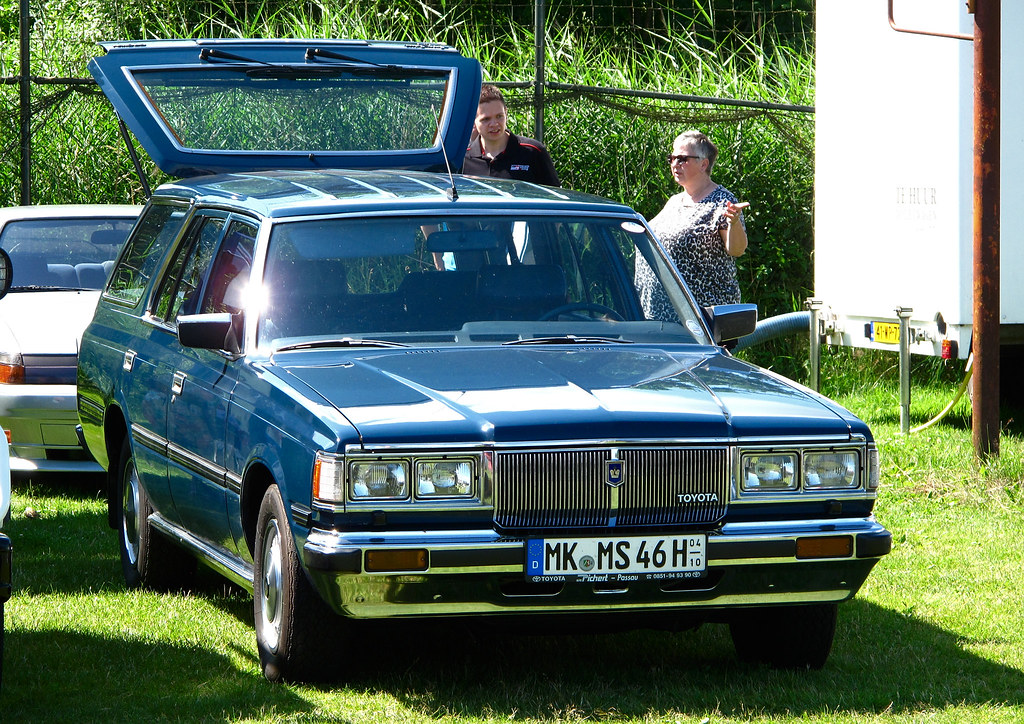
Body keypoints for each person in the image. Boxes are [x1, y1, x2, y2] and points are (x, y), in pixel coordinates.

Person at [636, 130, 749, 317]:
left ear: (704, 164)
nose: (675, 164)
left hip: (699, 319)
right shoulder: (674, 202)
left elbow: (736, 250)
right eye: (672, 158)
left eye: (682, 159)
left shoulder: (722, 202)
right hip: (660, 315)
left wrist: (734, 222)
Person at [461, 84, 560, 187]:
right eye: (486, 119)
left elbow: (554, 194)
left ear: (506, 113)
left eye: (499, 116)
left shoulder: (533, 152)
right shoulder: (463, 159)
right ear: (473, 121)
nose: (494, 124)